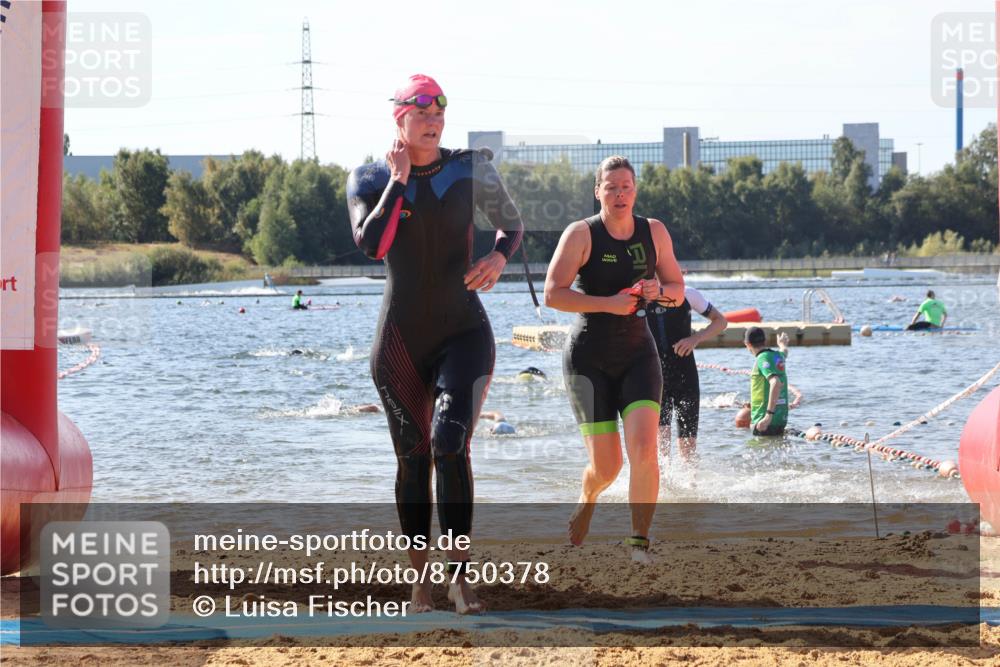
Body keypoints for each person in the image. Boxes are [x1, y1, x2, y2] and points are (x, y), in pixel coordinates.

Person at [346, 74, 523, 614]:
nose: (434, 119)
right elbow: (371, 244)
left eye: (440, 111)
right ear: (398, 116)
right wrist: (399, 182)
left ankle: (461, 578)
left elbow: (511, 225)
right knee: (412, 457)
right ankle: (421, 581)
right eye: (422, 111)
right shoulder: (368, 178)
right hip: (399, 341)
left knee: (450, 443)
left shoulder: (469, 168)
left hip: (464, 331)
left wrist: (497, 257)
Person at [545, 155, 684, 562]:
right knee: (608, 468)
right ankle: (588, 498)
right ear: (598, 192)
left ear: (635, 190)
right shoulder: (581, 234)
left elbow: (676, 287)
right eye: (611, 187)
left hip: (639, 355)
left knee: (645, 449)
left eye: (626, 187)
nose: (619, 194)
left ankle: (639, 540)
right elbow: (554, 293)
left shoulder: (654, 232)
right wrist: (609, 303)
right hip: (588, 359)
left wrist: (658, 291)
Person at [646, 286, 728, 462]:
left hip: (685, 373)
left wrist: (694, 339)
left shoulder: (688, 293)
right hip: (654, 375)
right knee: (662, 442)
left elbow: (720, 321)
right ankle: (662, 485)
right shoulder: (641, 295)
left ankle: (691, 486)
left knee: (688, 442)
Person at [744, 328, 790, 436]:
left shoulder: (761, 358)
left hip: (764, 421)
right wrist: (782, 344)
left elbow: (776, 382)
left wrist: (768, 415)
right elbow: (784, 352)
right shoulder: (778, 356)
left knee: (759, 450)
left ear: (747, 344)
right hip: (780, 419)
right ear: (765, 341)